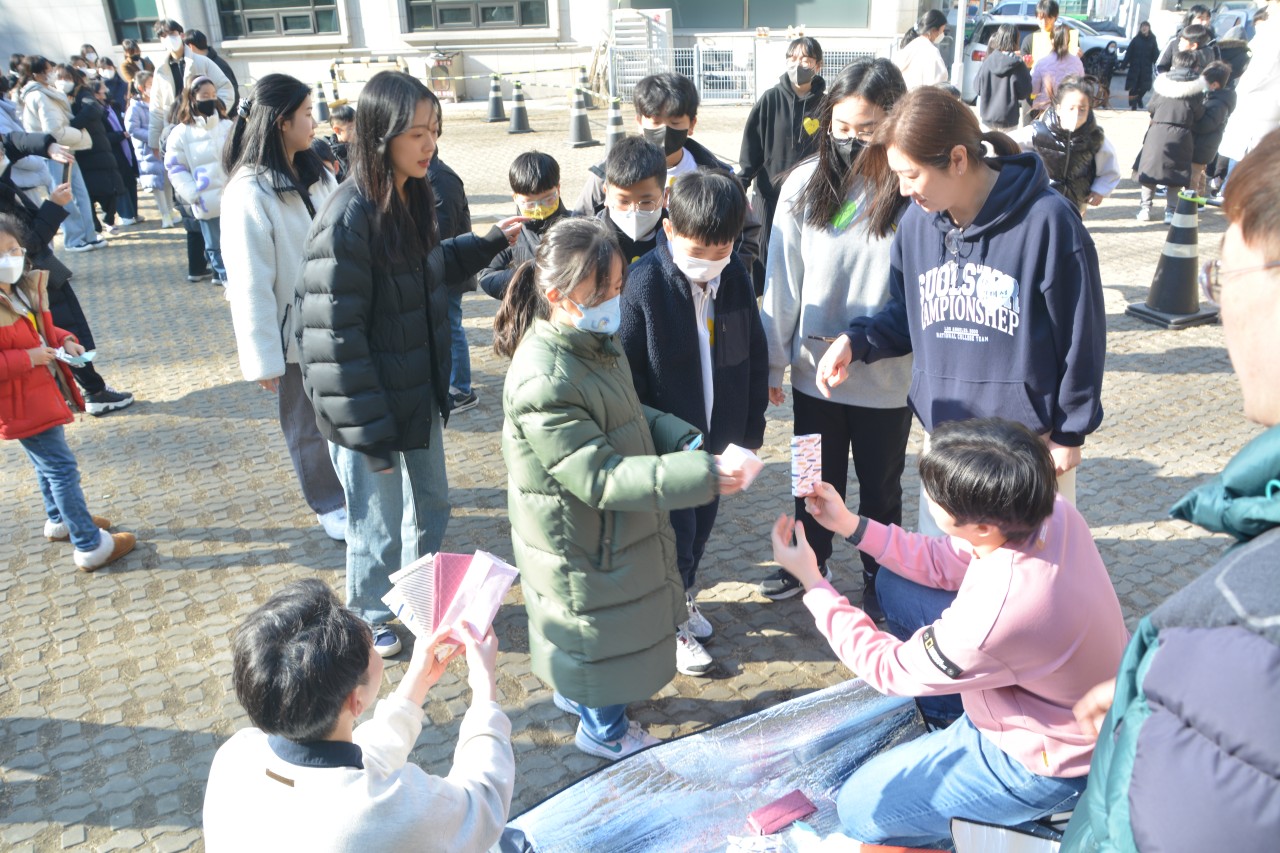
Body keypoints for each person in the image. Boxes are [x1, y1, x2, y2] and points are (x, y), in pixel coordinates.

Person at [1060, 128, 1280, 853]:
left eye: (1223, 278)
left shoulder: (1246, 634)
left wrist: (1182, 691)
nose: (1219, 312)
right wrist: (1149, 691)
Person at [770, 417, 1128, 848]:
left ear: (983, 526)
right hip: (1056, 698)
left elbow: (888, 669)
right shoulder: (1046, 507)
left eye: (936, 497)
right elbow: (945, 559)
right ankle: (947, 719)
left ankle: (1027, 823)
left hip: (1048, 760)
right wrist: (851, 524)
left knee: (859, 810)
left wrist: (813, 582)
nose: (929, 498)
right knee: (894, 584)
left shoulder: (996, 613)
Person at [296, 71, 523, 658]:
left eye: (434, 130)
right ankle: (366, 614)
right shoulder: (347, 216)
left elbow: (425, 267)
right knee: (376, 521)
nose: (430, 144)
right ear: (381, 135)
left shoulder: (412, 194)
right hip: (367, 408)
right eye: (417, 133)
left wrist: (487, 242)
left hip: (416, 391)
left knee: (431, 505)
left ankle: (420, 599)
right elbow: (331, 337)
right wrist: (367, 432)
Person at [494, 216, 739, 759]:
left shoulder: (589, 342)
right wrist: (705, 476)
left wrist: (678, 436)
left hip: (596, 534)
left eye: (617, 287)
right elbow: (599, 476)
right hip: (581, 539)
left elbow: (625, 412)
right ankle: (604, 732)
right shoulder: (546, 377)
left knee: (594, 639)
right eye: (600, 291)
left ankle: (580, 698)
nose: (613, 301)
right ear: (558, 296)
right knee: (597, 637)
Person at [816, 86, 1105, 528]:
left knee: (1022, 571)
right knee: (939, 565)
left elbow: (1081, 336)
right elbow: (907, 314)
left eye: (911, 175)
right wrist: (855, 342)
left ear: (956, 159)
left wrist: (1070, 432)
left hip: (1026, 448)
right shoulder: (916, 224)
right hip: (945, 444)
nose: (903, 189)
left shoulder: (1049, 222)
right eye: (897, 175)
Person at [758, 58, 912, 617]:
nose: (850, 140)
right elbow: (782, 279)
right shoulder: (804, 183)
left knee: (881, 488)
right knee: (810, 480)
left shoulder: (909, 187)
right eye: (840, 127)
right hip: (812, 376)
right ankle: (808, 564)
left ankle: (882, 577)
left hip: (885, 382)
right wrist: (774, 361)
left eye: (866, 130)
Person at [202, 578, 513, 852]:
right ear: (356, 700)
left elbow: (350, 772)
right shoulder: (387, 814)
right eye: (372, 647)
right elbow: (483, 805)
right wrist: (484, 683)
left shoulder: (236, 755)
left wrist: (418, 682)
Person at [618, 169, 767, 676]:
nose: (709, 261)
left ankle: (684, 597)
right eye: (698, 249)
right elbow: (631, 378)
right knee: (672, 537)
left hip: (719, 439)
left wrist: (749, 435)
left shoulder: (736, 277)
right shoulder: (644, 284)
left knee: (700, 530)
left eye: (721, 248)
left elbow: (752, 356)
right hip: (667, 449)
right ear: (668, 228)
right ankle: (669, 623)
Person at [220, 73, 346, 542]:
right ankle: (328, 502)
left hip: (340, 319)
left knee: (344, 411)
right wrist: (263, 359)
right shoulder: (248, 192)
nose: (315, 122)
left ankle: (354, 485)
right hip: (295, 336)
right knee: (306, 424)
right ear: (281, 122)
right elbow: (249, 283)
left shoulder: (318, 172)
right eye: (307, 113)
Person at [0, 213, 136, 571]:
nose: (9, 259)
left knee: (46, 465)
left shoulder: (19, 290)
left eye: (13, 249)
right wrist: (27, 358)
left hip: (40, 394)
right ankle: (89, 543)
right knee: (61, 469)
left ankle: (60, 519)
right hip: (21, 404)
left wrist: (65, 340)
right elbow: (22, 350)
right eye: (0, 254)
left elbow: (40, 331)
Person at [572, 72, 762, 275]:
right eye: (655, 122)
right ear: (639, 121)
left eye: (674, 123)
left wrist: (722, 275)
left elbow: (746, 232)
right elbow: (578, 228)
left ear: (692, 124)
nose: (664, 131)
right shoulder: (606, 174)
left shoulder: (718, 176)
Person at [0, 132, 135, 416]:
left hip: (36, 273)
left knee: (61, 333)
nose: (3, 155)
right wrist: (54, 206)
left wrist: (48, 146)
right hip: (25, 278)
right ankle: (92, 391)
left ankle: (87, 389)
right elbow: (28, 244)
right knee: (60, 331)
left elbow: (12, 141)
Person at [737, 36, 826, 239]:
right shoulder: (770, 99)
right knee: (764, 253)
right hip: (768, 197)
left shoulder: (826, 105)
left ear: (818, 65)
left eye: (805, 59)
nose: (797, 64)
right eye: (792, 58)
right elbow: (752, 147)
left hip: (808, 198)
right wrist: (741, 184)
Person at [16, 56, 105, 252]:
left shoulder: (48, 92)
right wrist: (80, 135)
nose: (52, 74)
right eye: (48, 70)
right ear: (36, 74)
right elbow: (53, 130)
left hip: (65, 148)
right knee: (65, 196)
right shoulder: (39, 96)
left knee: (79, 194)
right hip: (54, 152)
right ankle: (74, 238)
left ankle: (89, 235)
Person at [1009, 76, 1121, 216]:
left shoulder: (1094, 138)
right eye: (1071, 108)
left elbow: (1109, 167)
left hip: (1075, 203)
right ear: (1059, 108)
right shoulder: (1038, 133)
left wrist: (1100, 190)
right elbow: (1006, 144)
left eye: (1082, 109)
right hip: (1041, 200)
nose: (1076, 114)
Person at [426, 146, 479, 414]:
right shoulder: (426, 175)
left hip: (449, 268)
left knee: (452, 327)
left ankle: (462, 390)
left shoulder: (441, 178)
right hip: (437, 268)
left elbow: (443, 231)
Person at [479, 150, 574, 300]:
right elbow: (487, 276)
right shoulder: (510, 232)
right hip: (526, 309)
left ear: (558, 189)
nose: (539, 209)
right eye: (530, 203)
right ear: (515, 198)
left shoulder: (577, 226)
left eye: (548, 199)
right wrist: (529, 275)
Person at [166, 76, 233, 285]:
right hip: (205, 200)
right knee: (214, 244)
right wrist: (193, 193)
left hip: (231, 196)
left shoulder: (227, 126)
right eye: (205, 95)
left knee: (235, 241)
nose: (210, 99)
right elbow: (175, 167)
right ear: (192, 98)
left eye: (213, 95)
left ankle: (228, 277)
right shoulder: (180, 133)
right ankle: (223, 277)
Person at [146, 19, 234, 157]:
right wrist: (154, 141)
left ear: (181, 35)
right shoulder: (161, 70)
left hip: (203, 127)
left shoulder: (202, 62)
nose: (169, 38)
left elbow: (226, 88)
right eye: (164, 36)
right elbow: (156, 108)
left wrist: (214, 113)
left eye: (172, 34)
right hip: (174, 129)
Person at [1136, 51, 1206, 224]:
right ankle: (1170, 212)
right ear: (1195, 66)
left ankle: (1145, 209)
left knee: (1150, 171)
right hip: (1182, 134)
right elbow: (1199, 114)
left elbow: (1151, 107)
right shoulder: (1196, 89)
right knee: (1176, 174)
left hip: (1157, 131)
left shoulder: (1163, 84)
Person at [1216, 0, 1280, 181]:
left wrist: (1241, 89)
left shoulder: (1273, 30)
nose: (1267, 8)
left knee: (1247, 169)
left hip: (1260, 107)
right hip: (1266, 108)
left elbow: (1260, 71)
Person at [60, 66, 125, 236]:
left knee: (109, 190)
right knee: (86, 195)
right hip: (78, 152)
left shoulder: (83, 94)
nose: (62, 82)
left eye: (66, 78)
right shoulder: (61, 97)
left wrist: (72, 126)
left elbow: (93, 109)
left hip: (97, 147)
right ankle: (95, 227)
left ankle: (108, 220)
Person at [597, 135, 668, 264]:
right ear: (607, 195)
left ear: (665, 197)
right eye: (623, 201)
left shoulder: (678, 241)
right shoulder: (591, 245)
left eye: (646, 202)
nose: (634, 211)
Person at [126, 71, 174, 228]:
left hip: (163, 148)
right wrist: (153, 137)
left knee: (167, 181)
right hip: (148, 151)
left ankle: (171, 211)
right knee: (156, 184)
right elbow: (132, 129)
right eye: (150, 85)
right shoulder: (135, 108)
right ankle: (164, 214)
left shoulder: (158, 104)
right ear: (141, 88)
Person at [0, 76, 56, 203]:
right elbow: (9, 145)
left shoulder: (4, 104)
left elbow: (13, 139)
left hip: (24, 179)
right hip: (19, 182)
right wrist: (37, 163)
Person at [974, 24, 1031, 131]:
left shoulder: (987, 62)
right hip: (1008, 121)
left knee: (988, 142)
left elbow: (977, 88)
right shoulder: (1018, 65)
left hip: (987, 120)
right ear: (1016, 40)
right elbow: (1025, 92)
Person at [1190, 61, 1236, 196]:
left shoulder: (1218, 104)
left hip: (1203, 145)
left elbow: (1204, 126)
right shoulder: (1214, 98)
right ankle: (1199, 201)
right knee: (1199, 173)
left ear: (1215, 85)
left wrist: (1191, 118)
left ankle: (1190, 202)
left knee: (1193, 176)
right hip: (1204, 144)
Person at [1030, 24, 1085, 115]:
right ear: (1069, 41)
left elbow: (1034, 90)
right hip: (1069, 110)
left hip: (1045, 110)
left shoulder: (1041, 63)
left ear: (1052, 40)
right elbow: (1081, 88)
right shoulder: (1077, 62)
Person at [182, 29, 239, 116]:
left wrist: (219, 115)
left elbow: (231, 93)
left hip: (225, 116)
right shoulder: (212, 61)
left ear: (190, 47)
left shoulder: (216, 65)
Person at [893, 10, 948, 90]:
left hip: (905, 95)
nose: (942, 34)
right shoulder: (932, 52)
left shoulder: (911, 46)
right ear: (933, 30)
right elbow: (939, 83)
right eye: (942, 31)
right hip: (923, 96)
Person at [1022, 0, 1079, 65]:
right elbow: (1022, 65)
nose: (1044, 22)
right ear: (1036, 17)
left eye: (1048, 18)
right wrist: (1025, 63)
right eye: (1041, 18)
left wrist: (1079, 57)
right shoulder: (1029, 40)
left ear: (1056, 16)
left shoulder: (1067, 37)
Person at [1124, 21, 1160, 110]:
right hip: (1135, 67)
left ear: (1149, 28)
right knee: (1133, 87)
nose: (1144, 28)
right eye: (1142, 26)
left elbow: (1155, 54)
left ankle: (1139, 98)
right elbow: (1129, 53)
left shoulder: (1152, 40)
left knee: (1144, 87)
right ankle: (1133, 105)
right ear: (1140, 28)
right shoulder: (1136, 39)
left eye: (1146, 26)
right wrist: (1123, 64)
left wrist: (1159, 64)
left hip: (1146, 68)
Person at [326, 102, 354, 179]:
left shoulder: (361, 147)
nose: (357, 131)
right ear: (337, 130)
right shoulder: (328, 153)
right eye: (351, 128)